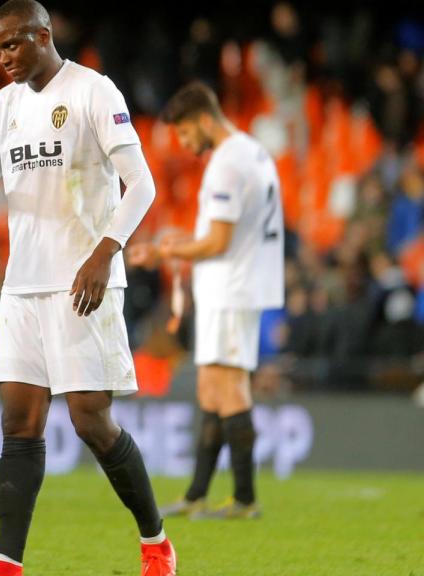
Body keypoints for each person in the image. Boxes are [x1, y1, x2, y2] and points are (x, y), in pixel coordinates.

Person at [0, 1, 176, 574]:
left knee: (90, 420)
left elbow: (143, 186)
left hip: (84, 282)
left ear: (44, 35)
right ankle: (7, 561)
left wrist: (105, 253)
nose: (3, 57)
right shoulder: (4, 105)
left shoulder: (94, 92)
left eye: (13, 45)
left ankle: (156, 543)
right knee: (18, 423)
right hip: (23, 287)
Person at [129, 81, 284, 520]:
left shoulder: (226, 165)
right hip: (238, 282)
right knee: (210, 390)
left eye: (183, 133)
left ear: (202, 120)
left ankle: (245, 499)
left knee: (230, 390)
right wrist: (184, 241)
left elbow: (218, 241)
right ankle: (197, 494)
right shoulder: (254, 151)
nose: (183, 142)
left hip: (233, 286)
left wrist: (163, 250)